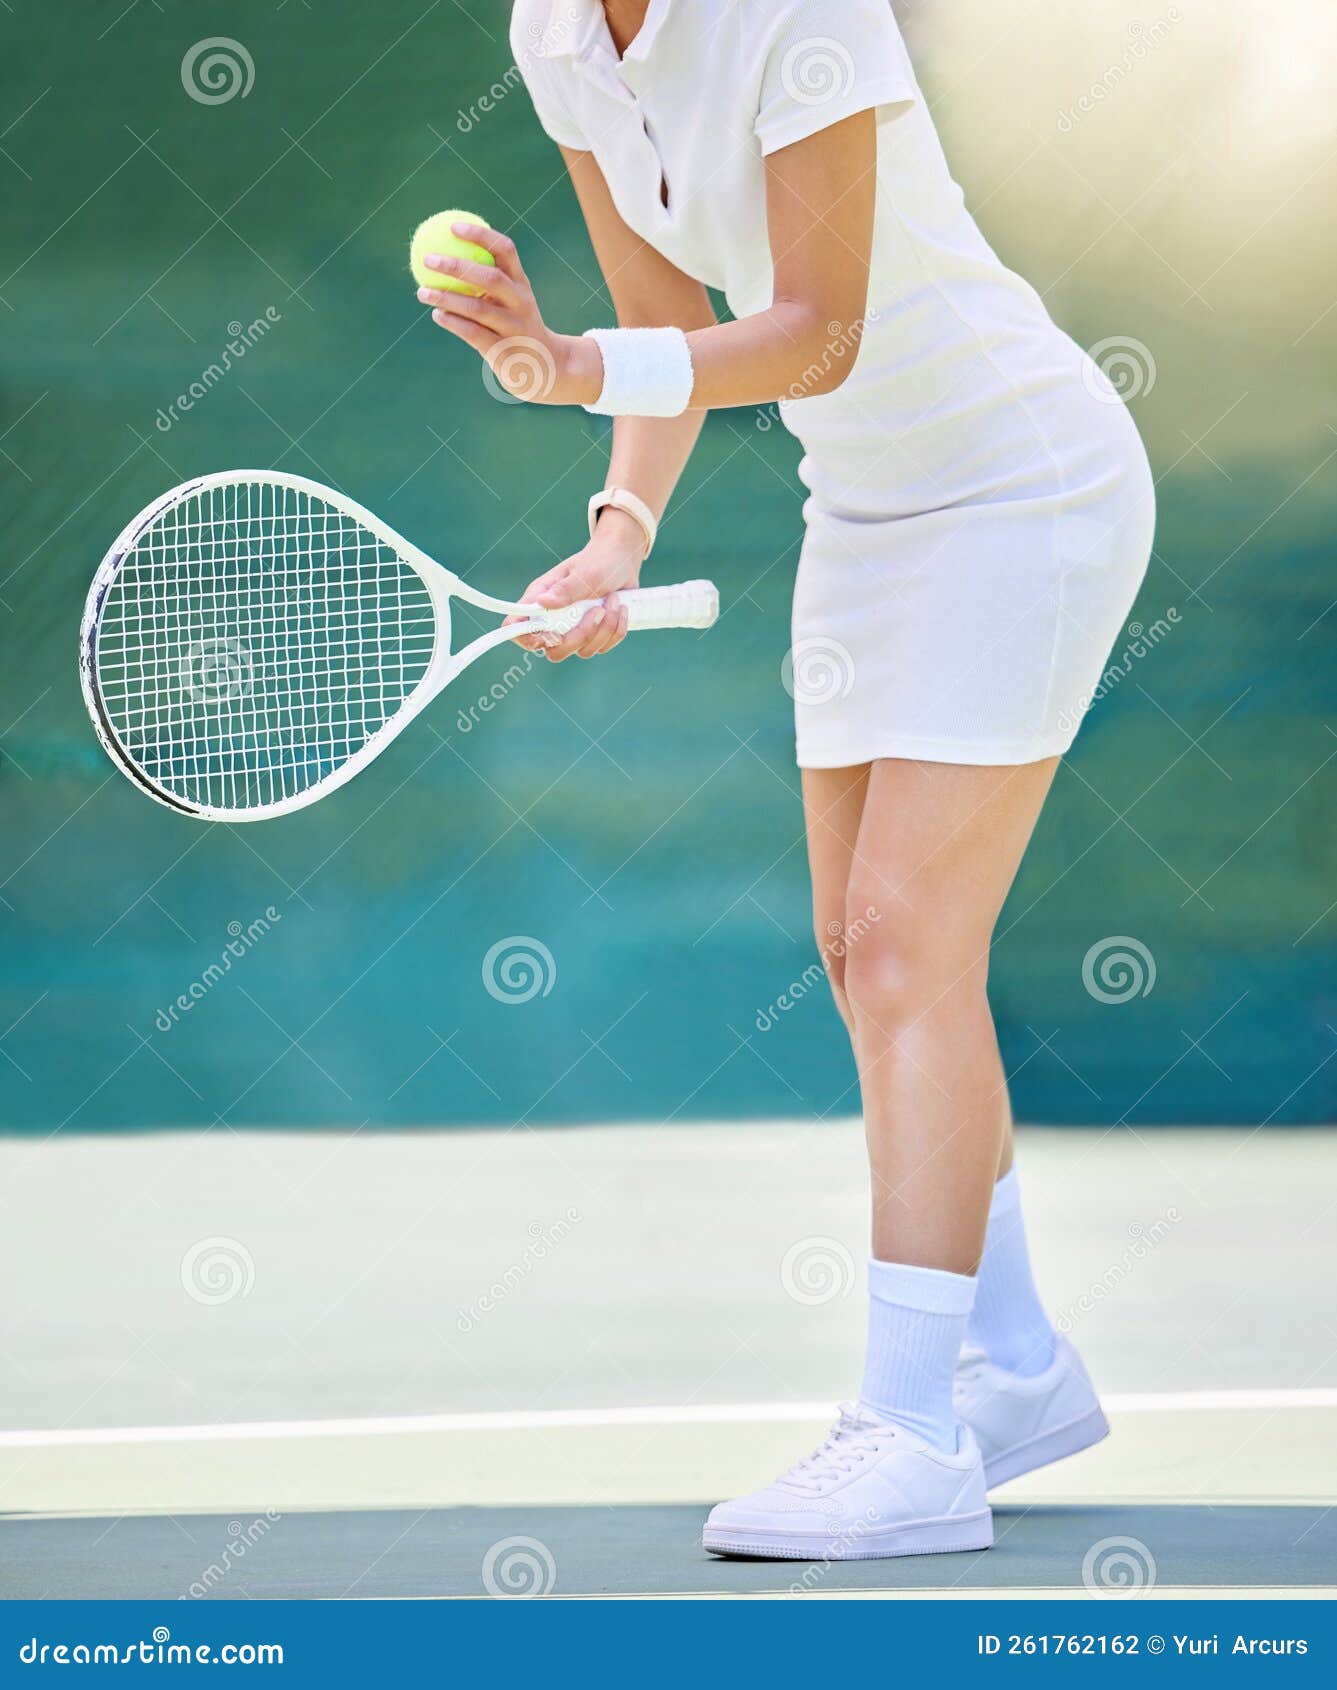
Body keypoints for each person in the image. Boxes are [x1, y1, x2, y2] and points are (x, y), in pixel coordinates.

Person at [417, 0, 1154, 1560]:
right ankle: (1007, 1365)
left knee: (901, 946)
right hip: (865, 509)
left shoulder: (798, 10)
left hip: (1023, 486)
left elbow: (818, 327)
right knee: (857, 952)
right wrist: (617, 535)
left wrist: (560, 364)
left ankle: (909, 1435)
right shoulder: (554, 30)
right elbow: (660, 311)